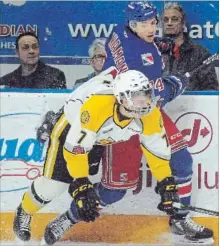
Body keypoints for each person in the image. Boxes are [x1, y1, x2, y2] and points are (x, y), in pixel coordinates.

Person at [13, 68, 187, 245]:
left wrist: (166, 183)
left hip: (99, 138)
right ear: (121, 98)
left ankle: (64, 217)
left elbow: (157, 151)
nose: (143, 103)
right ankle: (24, 211)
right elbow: (76, 150)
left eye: (146, 95)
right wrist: (81, 184)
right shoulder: (97, 106)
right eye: (135, 96)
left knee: (89, 190)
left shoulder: (149, 114)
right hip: (72, 128)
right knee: (54, 186)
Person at [100, 1, 213, 243]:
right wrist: (175, 84)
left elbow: (146, 57)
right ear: (133, 24)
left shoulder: (121, 32)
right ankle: (71, 216)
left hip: (148, 113)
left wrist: (153, 42)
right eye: (145, 24)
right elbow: (155, 96)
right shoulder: (140, 58)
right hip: (123, 117)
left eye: (153, 22)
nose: (153, 28)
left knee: (182, 161)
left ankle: (180, 220)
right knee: (114, 191)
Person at [160, 2, 218, 91]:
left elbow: (211, 90)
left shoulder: (200, 53)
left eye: (174, 19)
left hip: (191, 104)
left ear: (183, 23)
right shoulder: (153, 51)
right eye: (165, 19)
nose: (169, 23)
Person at [0, 32, 67, 89]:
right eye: (25, 47)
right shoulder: (6, 81)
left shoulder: (55, 76)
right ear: (17, 52)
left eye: (35, 47)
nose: (31, 51)